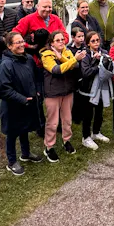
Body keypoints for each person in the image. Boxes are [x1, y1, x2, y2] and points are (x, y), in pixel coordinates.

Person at [0, 32, 43, 175]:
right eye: (17, 43)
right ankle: (11, 162)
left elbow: (36, 77)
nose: (22, 44)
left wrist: (37, 91)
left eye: (22, 41)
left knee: (24, 129)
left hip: (27, 103)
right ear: (10, 46)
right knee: (12, 134)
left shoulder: (28, 59)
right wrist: (21, 99)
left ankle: (26, 153)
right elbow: (3, 89)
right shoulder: (6, 65)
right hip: (13, 106)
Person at [40, 30, 84, 162]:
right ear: (51, 43)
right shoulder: (46, 55)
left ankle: (66, 141)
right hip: (53, 93)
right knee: (53, 122)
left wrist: (62, 58)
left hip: (67, 91)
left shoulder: (66, 51)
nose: (61, 42)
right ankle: (49, 147)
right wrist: (73, 59)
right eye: (58, 40)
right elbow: (56, 70)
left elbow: (75, 66)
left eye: (62, 40)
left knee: (67, 119)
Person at [78, 31, 113, 149]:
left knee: (99, 112)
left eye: (97, 40)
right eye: (93, 41)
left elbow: (109, 68)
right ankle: (86, 137)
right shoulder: (85, 55)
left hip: (101, 87)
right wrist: (97, 63)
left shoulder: (104, 52)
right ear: (88, 43)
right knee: (88, 113)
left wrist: (104, 60)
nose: (96, 43)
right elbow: (86, 72)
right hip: (87, 89)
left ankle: (96, 132)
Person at [67, 27, 88, 126]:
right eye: (79, 36)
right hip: (73, 76)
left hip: (84, 75)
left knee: (83, 96)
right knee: (75, 96)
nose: (81, 39)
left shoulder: (85, 47)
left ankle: (83, 114)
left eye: (83, 36)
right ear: (73, 37)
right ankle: (75, 116)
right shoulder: (69, 48)